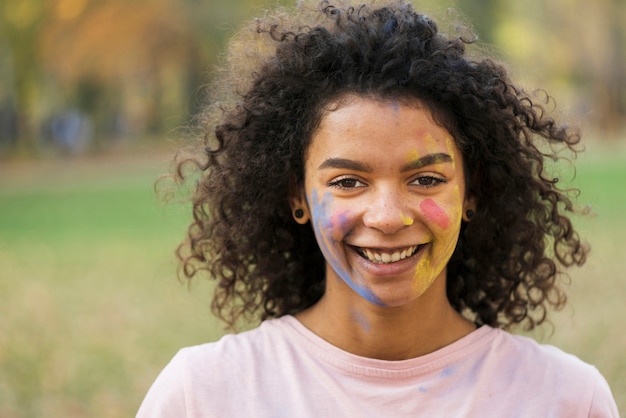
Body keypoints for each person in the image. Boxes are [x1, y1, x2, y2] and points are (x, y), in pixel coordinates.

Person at [137, 1, 619, 416]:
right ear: (297, 196)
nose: (388, 217)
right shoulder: (201, 396)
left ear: (472, 192)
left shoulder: (567, 400)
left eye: (426, 179)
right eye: (348, 182)